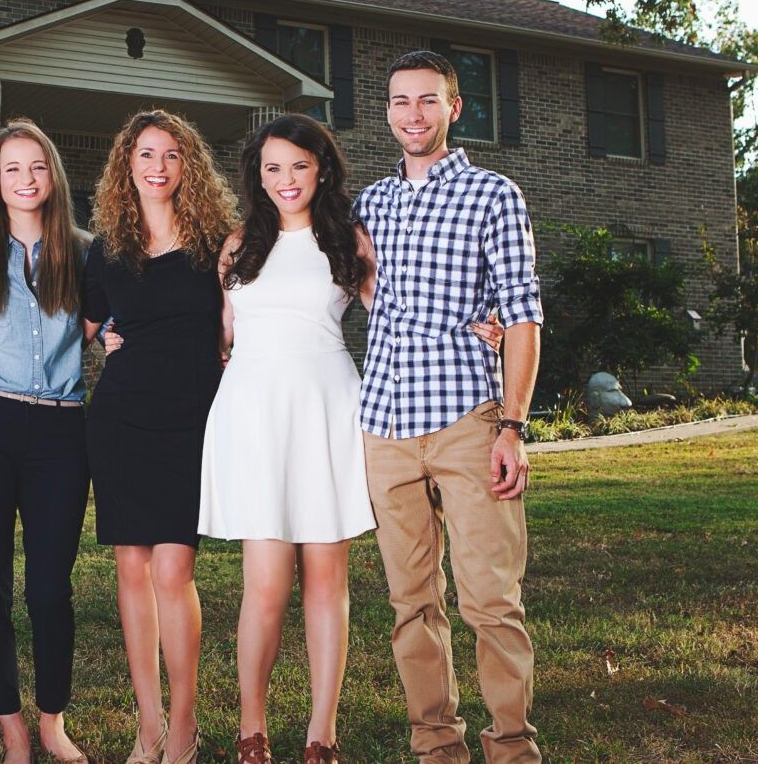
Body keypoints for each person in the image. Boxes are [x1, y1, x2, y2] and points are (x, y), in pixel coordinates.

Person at [106, 115, 501, 764]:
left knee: (325, 577)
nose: (285, 179)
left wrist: (470, 326)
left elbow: (401, 313)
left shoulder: (349, 241)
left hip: (326, 408)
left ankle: (322, 732)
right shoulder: (235, 246)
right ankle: (251, 727)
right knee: (265, 582)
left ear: (322, 170)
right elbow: (215, 331)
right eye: (272, 167)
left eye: (298, 166)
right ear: (257, 176)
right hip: (255, 412)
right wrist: (122, 334)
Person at [357, 50, 544, 763]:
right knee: (411, 603)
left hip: (467, 416)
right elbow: (352, 282)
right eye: (401, 101)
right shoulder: (369, 203)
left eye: (428, 100)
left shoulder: (494, 194)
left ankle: (512, 745)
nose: (413, 114)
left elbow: (524, 314)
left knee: (491, 599)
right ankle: (436, 744)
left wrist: (513, 425)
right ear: (387, 111)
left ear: (454, 108)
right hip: (385, 424)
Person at [83, 109, 239, 764]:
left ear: (188, 166)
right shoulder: (107, 248)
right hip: (122, 417)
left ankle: (184, 723)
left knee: (174, 568)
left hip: (191, 419)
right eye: (146, 154)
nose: (158, 166)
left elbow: (244, 318)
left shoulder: (218, 243)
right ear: (128, 164)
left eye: (171, 154)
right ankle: (148, 725)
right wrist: (101, 339)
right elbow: (87, 324)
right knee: (131, 568)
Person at [0, 120, 94, 764]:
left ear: (53, 174)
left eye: (37, 166)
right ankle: (11, 728)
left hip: (62, 430)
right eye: (12, 169)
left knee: (49, 588)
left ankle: (53, 719)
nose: (26, 179)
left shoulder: (87, 252)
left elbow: (121, 321)